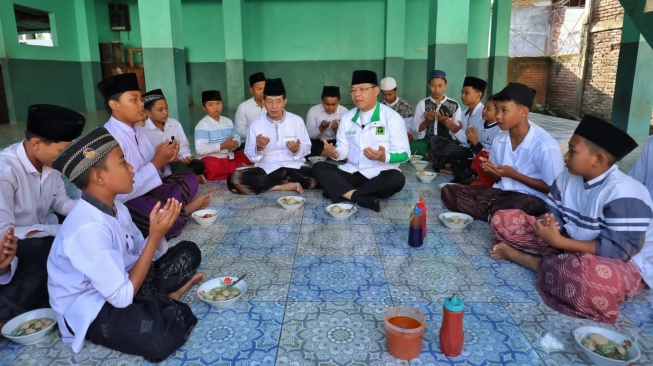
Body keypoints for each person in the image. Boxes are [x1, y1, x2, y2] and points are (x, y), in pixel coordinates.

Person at [48, 127, 203, 361]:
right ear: (99, 177)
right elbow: (121, 298)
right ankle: (166, 299)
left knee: (188, 252)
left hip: (124, 280)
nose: (131, 168)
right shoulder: (86, 228)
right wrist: (153, 237)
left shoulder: (117, 208)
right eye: (123, 163)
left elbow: (141, 255)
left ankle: (157, 300)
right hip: (91, 308)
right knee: (168, 328)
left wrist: (158, 233)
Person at [490, 115, 651, 323]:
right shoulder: (566, 178)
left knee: (590, 280)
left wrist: (559, 242)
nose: (565, 156)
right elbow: (553, 213)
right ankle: (561, 263)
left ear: (598, 159)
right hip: (566, 244)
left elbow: (620, 251)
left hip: (622, 263)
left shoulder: (625, 192)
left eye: (572, 151)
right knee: (503, 219)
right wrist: (548, 225)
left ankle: (530, 260)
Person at [0, 104, 85, 327]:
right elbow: (3, 232)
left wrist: (96, 209)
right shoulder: (5, 171)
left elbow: (61, 202)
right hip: (16, 246)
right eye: (62, 152)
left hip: (44, 231)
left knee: (86, 229)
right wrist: (51, 231)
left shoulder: (50, 164)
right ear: (36, 143)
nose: (65, 158)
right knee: (46, 252)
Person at [98, 73, 210, 238]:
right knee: (158, 218)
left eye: (140, 99)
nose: (141, 104)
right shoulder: (109, 138)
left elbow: (156, 172)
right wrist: (157, 162)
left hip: (149, 189)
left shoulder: (140, 130)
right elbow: (120, 192)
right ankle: (184, 211)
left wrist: (166, 160)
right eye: (134, 99)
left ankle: (171, 209)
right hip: (127, 199)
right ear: (115, 105)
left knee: (189, 178)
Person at [441, 83, 564, 221]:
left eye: (504, 110)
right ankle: (495, 215)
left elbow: (554, 190)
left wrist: (515, 175)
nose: (498, 116)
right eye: (497, 109)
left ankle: (494, 214)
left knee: (516, 206)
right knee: (449, 191)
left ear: (523, 112)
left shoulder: (546, 145)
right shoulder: (499, 139)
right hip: (501, 193)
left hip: (531, 198)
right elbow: (498, 179)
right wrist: (492, 171)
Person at [313, 70, 410, 212]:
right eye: (353, 90)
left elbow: (405, 154)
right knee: (319, 167)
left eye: (362, 89)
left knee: (397, 179)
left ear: (376, 91)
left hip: (380, 174)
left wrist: (384, 157)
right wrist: (335, 153)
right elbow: (343, 149)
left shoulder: (392, 118)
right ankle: (360, 196)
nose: (356, 94)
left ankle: (343, 192)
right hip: (353, 172)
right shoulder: (347, 118)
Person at [227, 78, 317, 195]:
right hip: (267, 170)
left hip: (293, 168)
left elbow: (307, 148)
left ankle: (271, 185)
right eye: (269, 101)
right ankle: (283, 186)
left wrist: (297, 150)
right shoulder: (256, 124)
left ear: (284, 102)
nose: (274, 106)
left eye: (278, 101)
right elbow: (250, 156)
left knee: (322, 175)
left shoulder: (296, 121)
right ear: (264, 102)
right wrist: (258, 149)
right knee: (233, 178)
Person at [142, 88, 207, 184]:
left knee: (198, 164)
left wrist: (185, 157)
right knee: (163, 171)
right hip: (159, 167)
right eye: (160, 110)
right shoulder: (143, 130)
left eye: (166, 108)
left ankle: (183, 177)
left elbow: (184, 146)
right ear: (148, 112)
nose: (165, 112)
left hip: (177, 163)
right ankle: (191, 178)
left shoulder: (174, 124)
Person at [195, 90, 252, 180]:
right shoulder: (202, 125)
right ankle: (242, 168)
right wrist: (222, 146)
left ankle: (237, 168)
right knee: (212, 166)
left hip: (228, 156)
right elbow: (200, 149)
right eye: (210, 105)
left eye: (218, 103)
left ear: (222, 104)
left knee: (249, 156)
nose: (215, 107)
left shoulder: (228, 121)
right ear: (204, 107)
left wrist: (234, 144)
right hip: (212, 158)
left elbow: (237, 137)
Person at [409, 70, 462, 158]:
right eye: (433, 85)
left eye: (440, 86)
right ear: (429, 86)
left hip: (446, 143)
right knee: (409, 148)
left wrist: (446, 123)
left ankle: (433, 155)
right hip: (426, 142)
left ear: (445, 86)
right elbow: (415, 129)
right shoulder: (422, 104)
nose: (436, 89)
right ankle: (435, 155)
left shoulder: (454, 105)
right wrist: (426, 121)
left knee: (456, 150)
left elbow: (457, 132)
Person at [459, 93, 501, 186]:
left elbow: (490, 158)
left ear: (498, 111)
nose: (484, 110)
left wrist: (475, 142)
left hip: (485, 167)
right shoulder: (481, 121)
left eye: (488, 109)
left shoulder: (499, 130)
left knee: (465, 178)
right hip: (472, 158)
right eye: (484, 107)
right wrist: (469, 136)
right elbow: (470, 143)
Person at [305, 86, 348, 157]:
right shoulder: (313, 111)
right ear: (322, 100)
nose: (330, 107)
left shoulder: (345, 112)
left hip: (337, 143)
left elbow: (347, 138)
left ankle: (325, 154)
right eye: (327, 104)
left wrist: (337, 131)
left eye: (334, 104)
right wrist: (321, 128)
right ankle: (334, 155)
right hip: (318, 143)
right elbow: (309, 136)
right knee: (306, 146)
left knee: (348, 147)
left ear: (339, 101)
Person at [379, 76, 414, 142]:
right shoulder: (379, 105)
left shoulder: (405, 105)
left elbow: (409, 127)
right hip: (382, 138)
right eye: (384, 95)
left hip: (400, 137)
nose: (387, 97)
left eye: (390, 94)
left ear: (396, 91)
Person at [234, 72, 267, 141]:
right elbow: (239, 131)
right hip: (251, 144)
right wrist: (258, 134)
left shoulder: (272, 105)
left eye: (265, 88)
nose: (263, 92)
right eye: (259, 89)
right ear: (251, 90)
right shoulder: (243, 107)